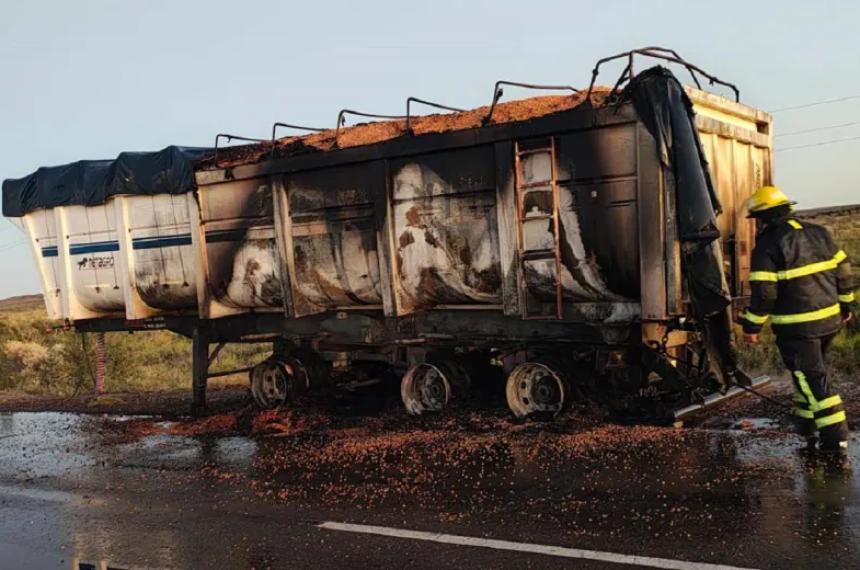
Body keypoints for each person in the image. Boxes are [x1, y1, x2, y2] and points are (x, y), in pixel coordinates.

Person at [742, 186, 854, 456]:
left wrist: (752, 325)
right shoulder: (819, 232)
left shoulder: (768, 245)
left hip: (798, 328)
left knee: (811, 377)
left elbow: (765, 293)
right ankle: (806, 423)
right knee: (808, 373)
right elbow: (844, 269)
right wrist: (846, 304)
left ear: (764, 217)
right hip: (829, 320)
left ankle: (835, 438)